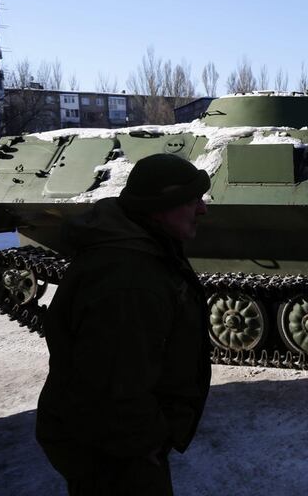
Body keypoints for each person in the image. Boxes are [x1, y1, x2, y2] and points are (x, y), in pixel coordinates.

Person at [36, 153, 212, 495]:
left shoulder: (145, 248)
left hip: (108, 440)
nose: (203, 210)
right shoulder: (130, 281)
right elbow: (115, 388)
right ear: (160, 206)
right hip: (113, 451)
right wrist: (146, 444)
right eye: (192, 201)